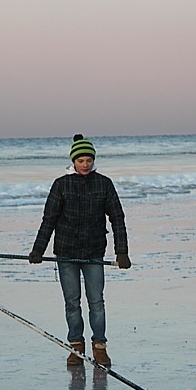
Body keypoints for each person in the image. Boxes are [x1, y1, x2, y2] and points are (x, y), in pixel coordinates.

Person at [29, 134, 131, 367]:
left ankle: (100, 348)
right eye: (81, 160)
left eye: (89, 160)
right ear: (73, 161)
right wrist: (38, 249)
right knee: (72, 302)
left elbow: (117, 218)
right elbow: (49, 220)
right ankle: (76, 348)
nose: (85, 164)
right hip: (66, 253)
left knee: (96, 302)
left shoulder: (104, 183)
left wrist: (121, 251)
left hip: (94, 252)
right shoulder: (61, 185)